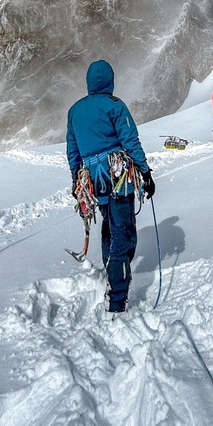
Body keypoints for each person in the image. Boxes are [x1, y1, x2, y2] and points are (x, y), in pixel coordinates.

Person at [66, 59, 155, 313]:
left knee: (109, 226)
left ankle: (111, 274)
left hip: (92, 180)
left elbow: (72, 151)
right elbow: (130, 141)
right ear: (110, 80)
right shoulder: (114, 106)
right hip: (117, 175)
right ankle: (117, 296)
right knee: (122, 232)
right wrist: (146, 173)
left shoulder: (74, 111)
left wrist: (76, 180)